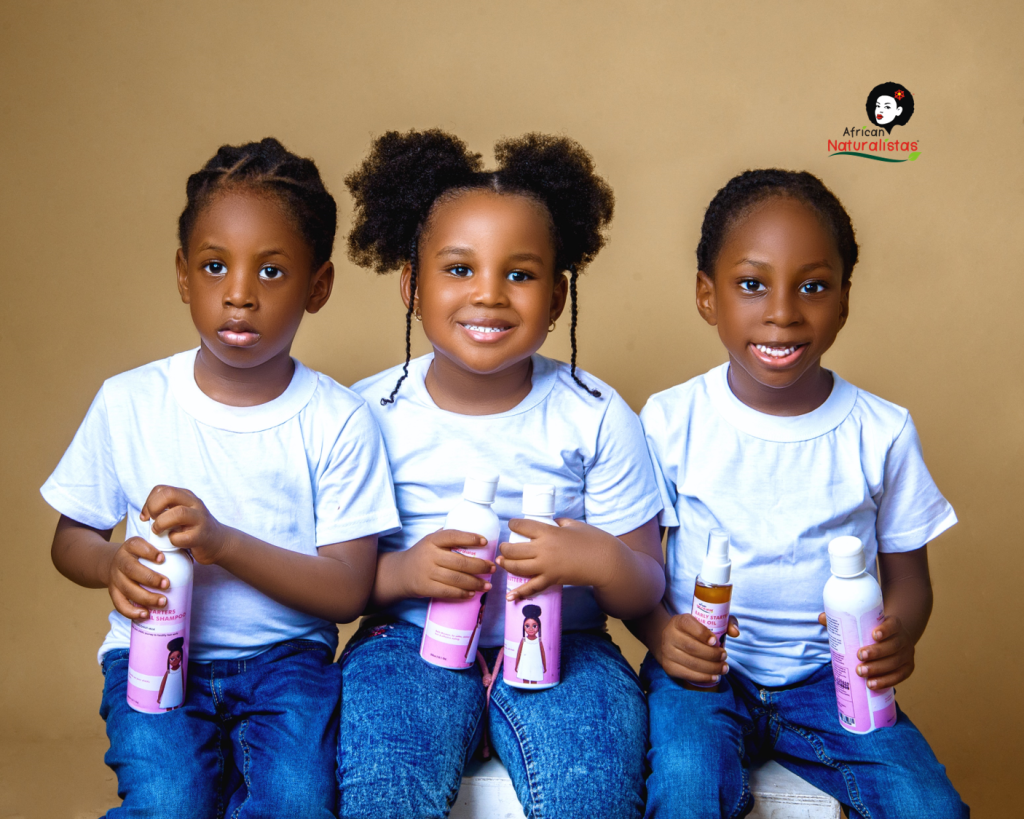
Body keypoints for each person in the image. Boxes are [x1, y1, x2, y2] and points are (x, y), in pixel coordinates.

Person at [42, 138, 400, 819]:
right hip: (151, 651)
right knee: (171, 800)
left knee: (295, 801)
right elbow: (71, 539)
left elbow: (348, 589)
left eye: (271, 272)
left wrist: (222, 541)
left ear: (317, 286)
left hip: (286, 662)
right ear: (184, 275)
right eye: (214, 266)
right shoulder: (131, 401)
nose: (238, 293)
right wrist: (110, 561)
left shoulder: (338, 420)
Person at [337, 129, 665, 819]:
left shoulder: (596, 415)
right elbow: (329, 578)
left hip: (568, 645)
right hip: (403, 641)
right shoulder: (365, 414)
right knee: (384, 786)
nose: (488, 295)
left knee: (593, 789)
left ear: (556, 298)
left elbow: (646, 583)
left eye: (519, 274)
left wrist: (600, 558)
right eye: (458, 269)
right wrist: (400, 574)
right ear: (411, 286)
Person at [632, 169, 968, 818]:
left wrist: (899, 631)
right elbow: (640, 567)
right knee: (686, 790)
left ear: (844, 300)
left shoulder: (880, 430)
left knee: (929, 805)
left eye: (812, 286)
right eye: (752, 285)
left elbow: (910, 580)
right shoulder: (672, 420)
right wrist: (659, 630)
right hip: (704, 675)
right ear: (707, 296)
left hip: (832, 680)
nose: (783, 312)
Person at [514, 604, 546, 683]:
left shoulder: (539, 641)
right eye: (527, 626)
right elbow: (519, 653)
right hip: (525, 664)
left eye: (534, 626)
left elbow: (542, 654)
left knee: (534, 679)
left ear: (539, 627)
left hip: (536, 664)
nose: (531, 629)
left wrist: (544, 666)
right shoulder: (524, 640)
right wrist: (517, 665)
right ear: (523, 627)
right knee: (525, 678)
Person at [156, 637, 185, 710]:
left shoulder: (181, 670)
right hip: (168, 695)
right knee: (168, 708)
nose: (175, 660)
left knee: (176, 707)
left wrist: (183, 692)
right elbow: (163, 684)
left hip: (177, 695)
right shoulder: (168, 672)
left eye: (178, 656)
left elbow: (182, 682)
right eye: (172, 659)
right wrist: (159, 697)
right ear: (168, 660)